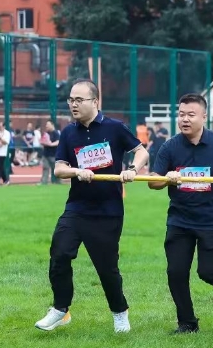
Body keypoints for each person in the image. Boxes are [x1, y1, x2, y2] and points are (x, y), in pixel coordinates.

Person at [34, 79, 149, 333]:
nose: (73, 104)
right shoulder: (68, 133)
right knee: (60, 254)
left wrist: (132, 169)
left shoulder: (115, 128)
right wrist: (77, 171)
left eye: (79, 100)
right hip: (76, 208)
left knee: (107, 268)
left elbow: (142, 152)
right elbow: (59, 169)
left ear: (95, 101)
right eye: (71, 100)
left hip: (108, 211)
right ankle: (60, 309)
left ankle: (120, 312)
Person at [149, 94, 213, 333]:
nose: (185, 119)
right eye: (181, 114)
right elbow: (153, 181)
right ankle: (187, 322)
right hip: (180, 220)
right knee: (176, 272)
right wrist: (167, 178)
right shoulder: (170, 146)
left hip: (212, 220)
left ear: (204, 116)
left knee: (208, 272)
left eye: (191, 115)